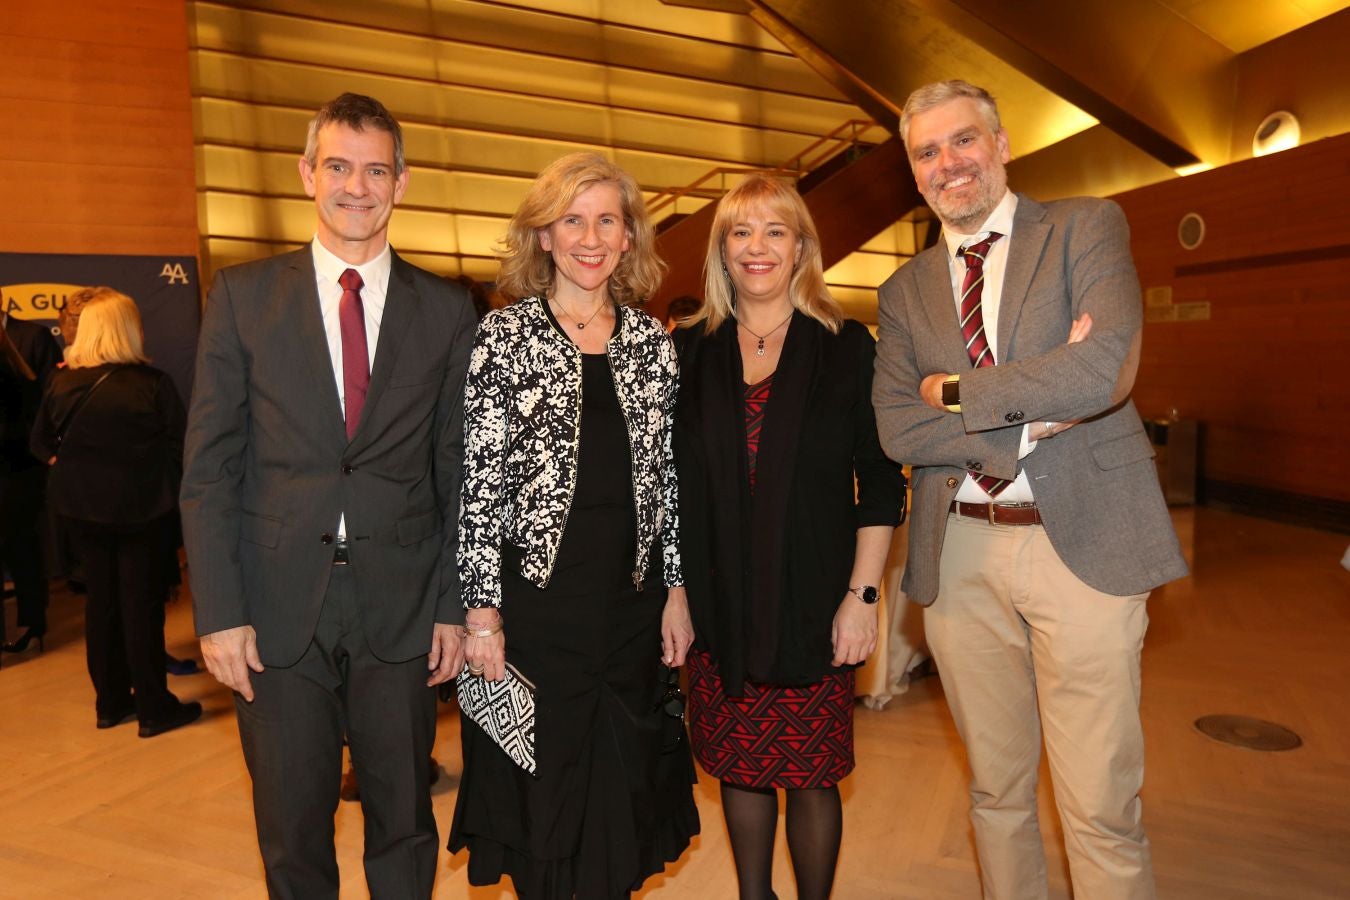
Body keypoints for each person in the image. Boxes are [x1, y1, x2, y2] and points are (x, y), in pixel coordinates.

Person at [872, 79, 1189, 900]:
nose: (950, 163)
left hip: (1083, 545)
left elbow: (1102, 366)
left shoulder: (1085, 227)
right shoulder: (902, 291)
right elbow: (895, 432)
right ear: (915, 172)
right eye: (928, 152)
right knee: (995, 793)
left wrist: (950, 391)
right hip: (962, 556)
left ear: (1003, 143)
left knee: (1099, 807)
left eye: (964, 140)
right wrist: (1030, 416)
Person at [180, 93, 476, 898]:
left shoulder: (447, 310)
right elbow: (209, 467)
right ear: (308, 174)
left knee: (405, 823)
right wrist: (217, 611)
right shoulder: (242, 297)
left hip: (403, 605)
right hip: (274, 609)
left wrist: (452, 604)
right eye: (339, 166)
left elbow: (456, 473)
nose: (357, 186)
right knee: (292, 830)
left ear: (402, 182)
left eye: (376, 169)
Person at [450, 151, 699, 898]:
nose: (590, 237)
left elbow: (670, 480)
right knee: (544, 800)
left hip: (629, 612)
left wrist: (677, 592)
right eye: (572, 220)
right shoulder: (504, 338)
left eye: (607, 220)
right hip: (536, 613)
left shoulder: (654, 346)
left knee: (620, 799)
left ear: (629, 238)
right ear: (545, 236)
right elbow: (478, 486)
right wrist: (481, 613)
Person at [673, 172, 905, 900]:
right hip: (719, 607)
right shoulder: (690, 351)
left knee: (810, 776)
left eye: (775, 230)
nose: (757, 247)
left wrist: (861, 597)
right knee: (740, 767)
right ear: (722, 251)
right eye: (740, 232)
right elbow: (670, 495)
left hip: (815, 604)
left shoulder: (845, 348)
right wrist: (676, 598)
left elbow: (881, 480)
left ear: (802, 245)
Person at [28, 288, 198, 734]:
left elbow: (39, 444)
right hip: (143, 514)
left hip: (80, 513)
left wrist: (73, 467)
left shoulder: (61, 382)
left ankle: (110, 703)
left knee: (100, 604)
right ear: (125, 329)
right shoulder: (152, 385)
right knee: (141, 607)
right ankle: (154, 710)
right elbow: (183, 449)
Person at [1, 310, 59, 657]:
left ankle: (32, 624)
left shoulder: (31, 341)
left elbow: (43, 407)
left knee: (22, 548)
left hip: (18, 470)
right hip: (12, 468)